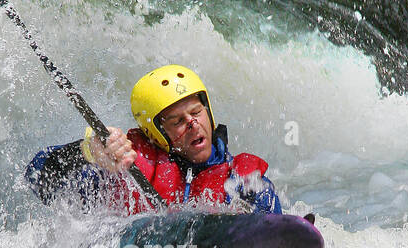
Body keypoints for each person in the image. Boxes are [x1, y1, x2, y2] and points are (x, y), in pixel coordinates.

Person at [25, 65, 282, 215]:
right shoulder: (126, 169)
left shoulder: (244, 182)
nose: (193, 124)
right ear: (155, 134)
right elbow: (37, 177)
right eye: (178, 121)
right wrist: (89, 152)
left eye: (196, 112)